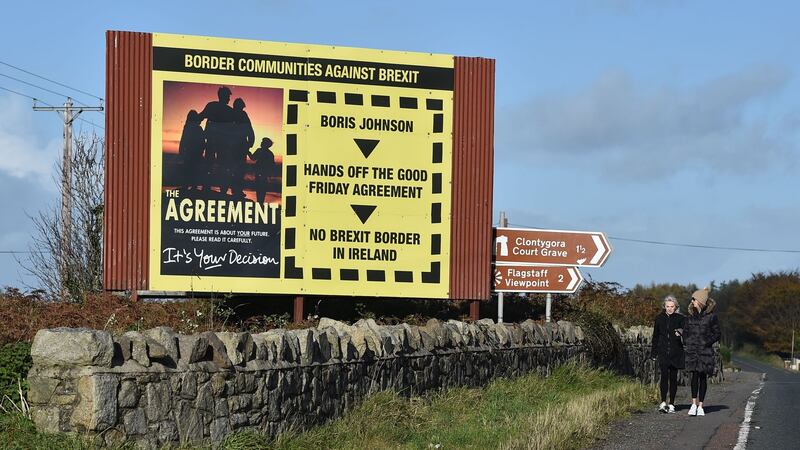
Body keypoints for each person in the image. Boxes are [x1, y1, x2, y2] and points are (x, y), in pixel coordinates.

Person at [684, 287, 721, 416]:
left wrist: (706, 342)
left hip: (705, 351)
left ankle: (701, 406)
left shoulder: (711, 317)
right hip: (692, 351)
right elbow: (686, 332)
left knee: (702, 377)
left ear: (700, 301)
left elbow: (717, 334)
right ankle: (693, 404)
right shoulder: (690, 316)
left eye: (694, 299)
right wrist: (687, 341)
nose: (692, 301)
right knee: (694, 376)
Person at [651, 295, 685, 413]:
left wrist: (681, 332)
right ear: (664, 307)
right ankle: (663, 402)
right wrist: (653, 352)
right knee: (664, 377)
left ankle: (672, 404)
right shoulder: (659, 318)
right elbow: (655, 336)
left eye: (672, 306)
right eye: (667, 306)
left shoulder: (680, 318)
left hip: (676, 352)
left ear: (675, 307)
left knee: (673, 378)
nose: (670, 308)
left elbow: (687, 331)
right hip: (663, 352)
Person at [177, 110, 206, 191]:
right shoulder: (197, 128)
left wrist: (181, 151)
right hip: (195, 153)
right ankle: (193, 186)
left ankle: (186, 186)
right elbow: (202, 141)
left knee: (188, 170)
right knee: (194, 170)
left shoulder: (187, 127)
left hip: (190, 153)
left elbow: (183, 140)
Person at [249, 137, 276, 203]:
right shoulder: (270, 153)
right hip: (263, 173)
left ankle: (259, 202)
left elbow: (253, 158)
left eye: (262, 142)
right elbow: (272, 165)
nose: (261, 143)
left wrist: (247, 152)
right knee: (262, 188)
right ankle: (260, 202)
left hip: (260, 172)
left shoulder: (260, 150)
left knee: (259, 187)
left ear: (265, 144)